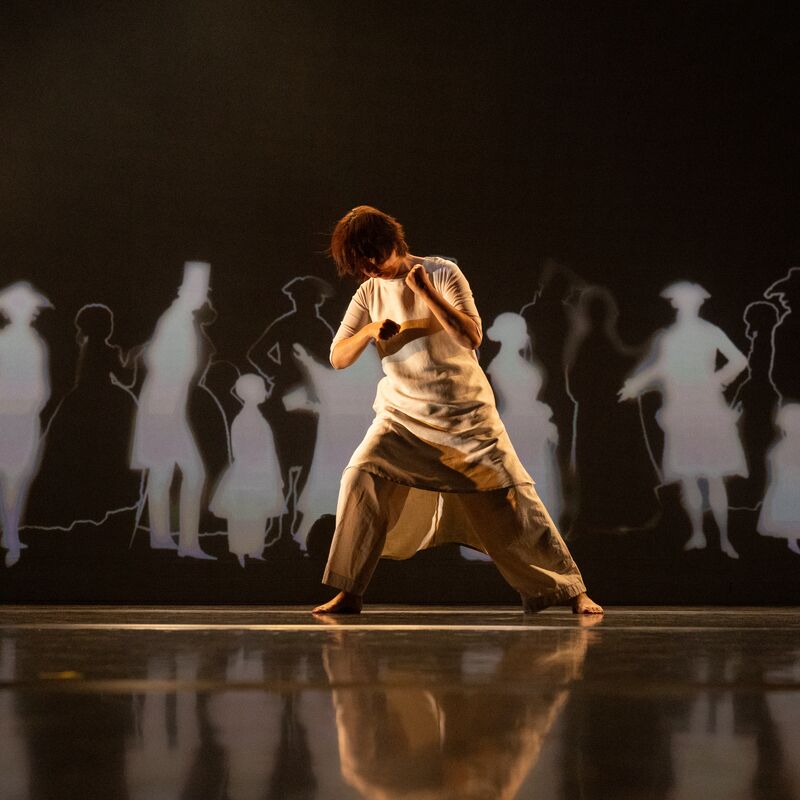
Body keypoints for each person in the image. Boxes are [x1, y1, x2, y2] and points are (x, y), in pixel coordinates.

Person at [312, 206, 602, 615]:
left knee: (509, 499)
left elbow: (470, 336)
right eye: (360, 265)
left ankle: (572, 590)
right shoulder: (368, 294)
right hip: (402, 415)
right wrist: (368, 331)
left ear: (389, 242)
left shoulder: (442, 272)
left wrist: (426, 292)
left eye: (371, 258)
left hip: (463, 413)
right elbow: (338, 357)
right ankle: (350, 590)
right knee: (361, 477)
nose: (369, 270)